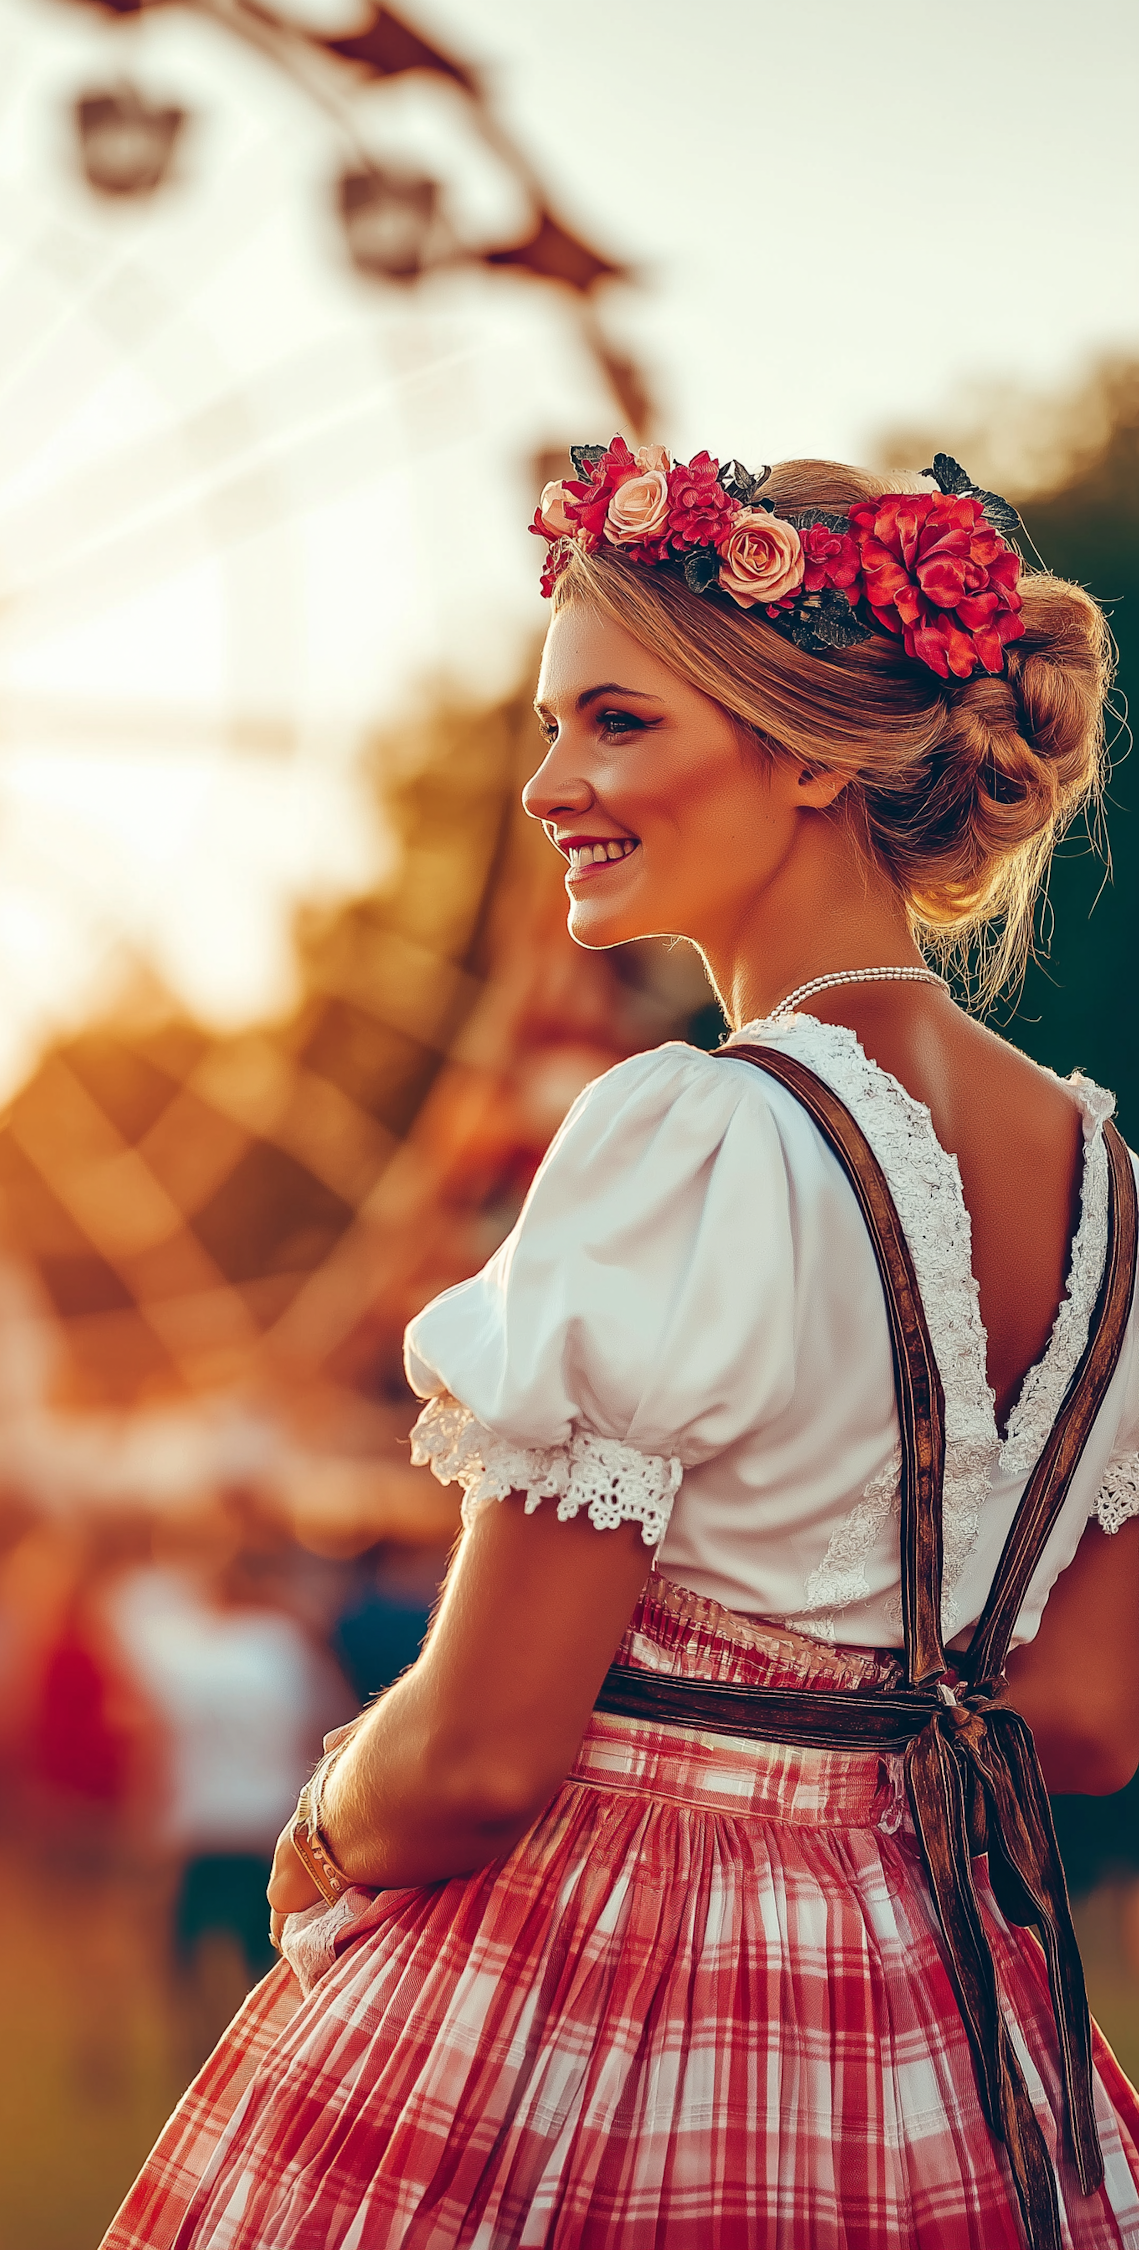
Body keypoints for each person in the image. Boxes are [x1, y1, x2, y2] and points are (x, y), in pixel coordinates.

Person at [102, 441, 1139, 2249]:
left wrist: (335, 1814)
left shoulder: (694, 1133)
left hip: (631, 1981)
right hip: (955, 2028)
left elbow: (488, 1747)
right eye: (551, 724)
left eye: (613, 723)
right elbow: (1090, 1722)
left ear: (808, 750)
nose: (548, 783)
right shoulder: (1114, 1185)